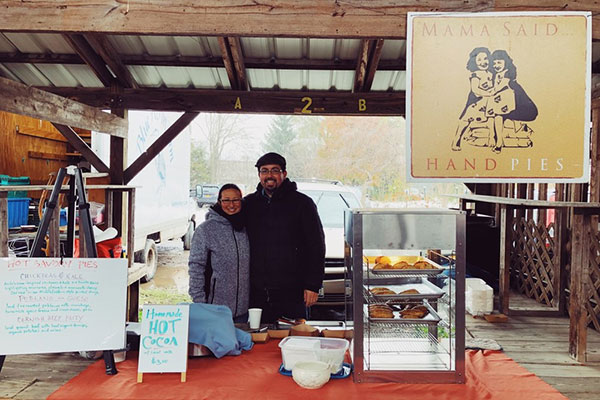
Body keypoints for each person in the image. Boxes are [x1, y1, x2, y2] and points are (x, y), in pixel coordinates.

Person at [244, 152, 326, 323]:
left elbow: (316, 246)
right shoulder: (249, 204)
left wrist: (313, 285)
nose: (269, 175)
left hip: (293, 292)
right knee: (260, 342)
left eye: (275, 170)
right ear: (259, 175)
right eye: (264, 171)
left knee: (296, 341)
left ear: (284, 174)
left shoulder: (302, 204)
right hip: (257, 292)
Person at [188, 183, 250, 323]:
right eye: (226, 200)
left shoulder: (247, 227)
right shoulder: (206, 230)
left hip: (243, 312)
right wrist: (200, 303)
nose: (231, 204)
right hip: (214, 310)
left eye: (236, 200)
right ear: (219, 202)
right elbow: (196, 267)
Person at [487, 49, 538, 153]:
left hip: (523, 109)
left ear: (506, 63)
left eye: (499, 62)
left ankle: (499, 143)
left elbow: (494, 90)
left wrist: (481, 92)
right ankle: (494, 139)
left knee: (498, 114)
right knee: (495, 114)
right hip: (506, 107)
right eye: (494, 63)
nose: (496, 65)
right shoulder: (495, 76)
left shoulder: (507, 76)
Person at [452, 47, 495, 151]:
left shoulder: (491, 74)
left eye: (485, 59)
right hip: (475, 101)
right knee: (466, 120)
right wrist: (489, 93)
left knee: (491, 118)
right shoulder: (475, 75)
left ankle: (492, 138)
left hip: (488, 101)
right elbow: (475, 90)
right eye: (479, 60)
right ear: (474, 62)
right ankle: (457, 140)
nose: (483, 62)